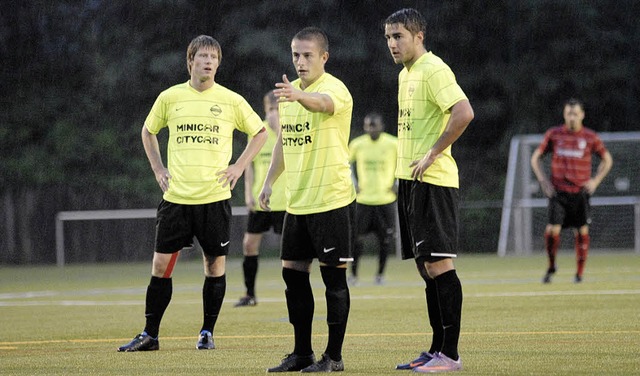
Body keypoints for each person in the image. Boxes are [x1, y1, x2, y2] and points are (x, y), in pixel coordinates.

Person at [117, 35, 267, 352]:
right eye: (203, 56)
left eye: (214, 56)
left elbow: (260, 132)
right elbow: (148, 131)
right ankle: (150, 334)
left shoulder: (231, 100)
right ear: (190, 61)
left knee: (214, 266)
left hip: (214, 199)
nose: (209, 61)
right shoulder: (170, 98)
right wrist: (158, 169)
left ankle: (206, 332)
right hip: (176, 199)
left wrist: (239, 167)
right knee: (160, 266)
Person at [259, 27, 356, 373]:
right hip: (298, 203)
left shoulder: (333, 89)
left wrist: (299, 97)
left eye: (307, 55)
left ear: (324, 57)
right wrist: (269, 182)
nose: (300, 62)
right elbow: (285, 142)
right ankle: (302, 353)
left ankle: (334, 357)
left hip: (331, 200)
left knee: (334, 280)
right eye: (296, 55)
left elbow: (324, 105)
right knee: (293, 277)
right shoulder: (291, 96)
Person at [384, 9, 474, 373]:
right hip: (411, 183)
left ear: (419, 35)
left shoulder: (434, 69)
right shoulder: (405, 74)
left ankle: (450, 356)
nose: (392, 43)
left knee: (439, 265)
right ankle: (435, 349)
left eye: (399, 36)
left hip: (434, 181)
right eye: (388, 37)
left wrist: (433, 153)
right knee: (426, 267)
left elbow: (464, 112)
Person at [531, 98, 613, 284]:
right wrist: (543, 181)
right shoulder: (554, 134)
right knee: (552, 230)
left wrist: (595, 181)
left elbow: (607, 160)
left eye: (575, 113)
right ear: (564, 114)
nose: (572, 117)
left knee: (582, 231)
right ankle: (552, 266)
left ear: (582, 115)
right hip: (558, 193)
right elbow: (535, 158)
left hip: (580, 193)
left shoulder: (590, 137)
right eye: (569, 113)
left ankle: (579, 274)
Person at [235, 90, 286, 307]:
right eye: (270, 109)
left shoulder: (291, 129)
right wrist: (248, 193)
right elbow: (250, 167)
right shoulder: (258, 132)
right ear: (265, 109)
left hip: (285, 198)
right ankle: (250, 294)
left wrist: (280, 129)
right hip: (261, 200)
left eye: (278, 109)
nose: (273, 113)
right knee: (249, 244)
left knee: (291, 251)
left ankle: (293, 293)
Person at [348, 112, 398, 286]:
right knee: (357, 240)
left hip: (386, 200)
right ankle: (353, 275)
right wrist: (353, 182)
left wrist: (396, 182)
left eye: (374, 125)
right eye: (368, 125)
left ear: (382, 126)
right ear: (364, 127)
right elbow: (346, 163)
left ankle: (380, 275)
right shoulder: (358, 144)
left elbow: (404, 161)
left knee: (386, 240)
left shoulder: (393, 143)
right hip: (364, 200)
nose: (371, 128)